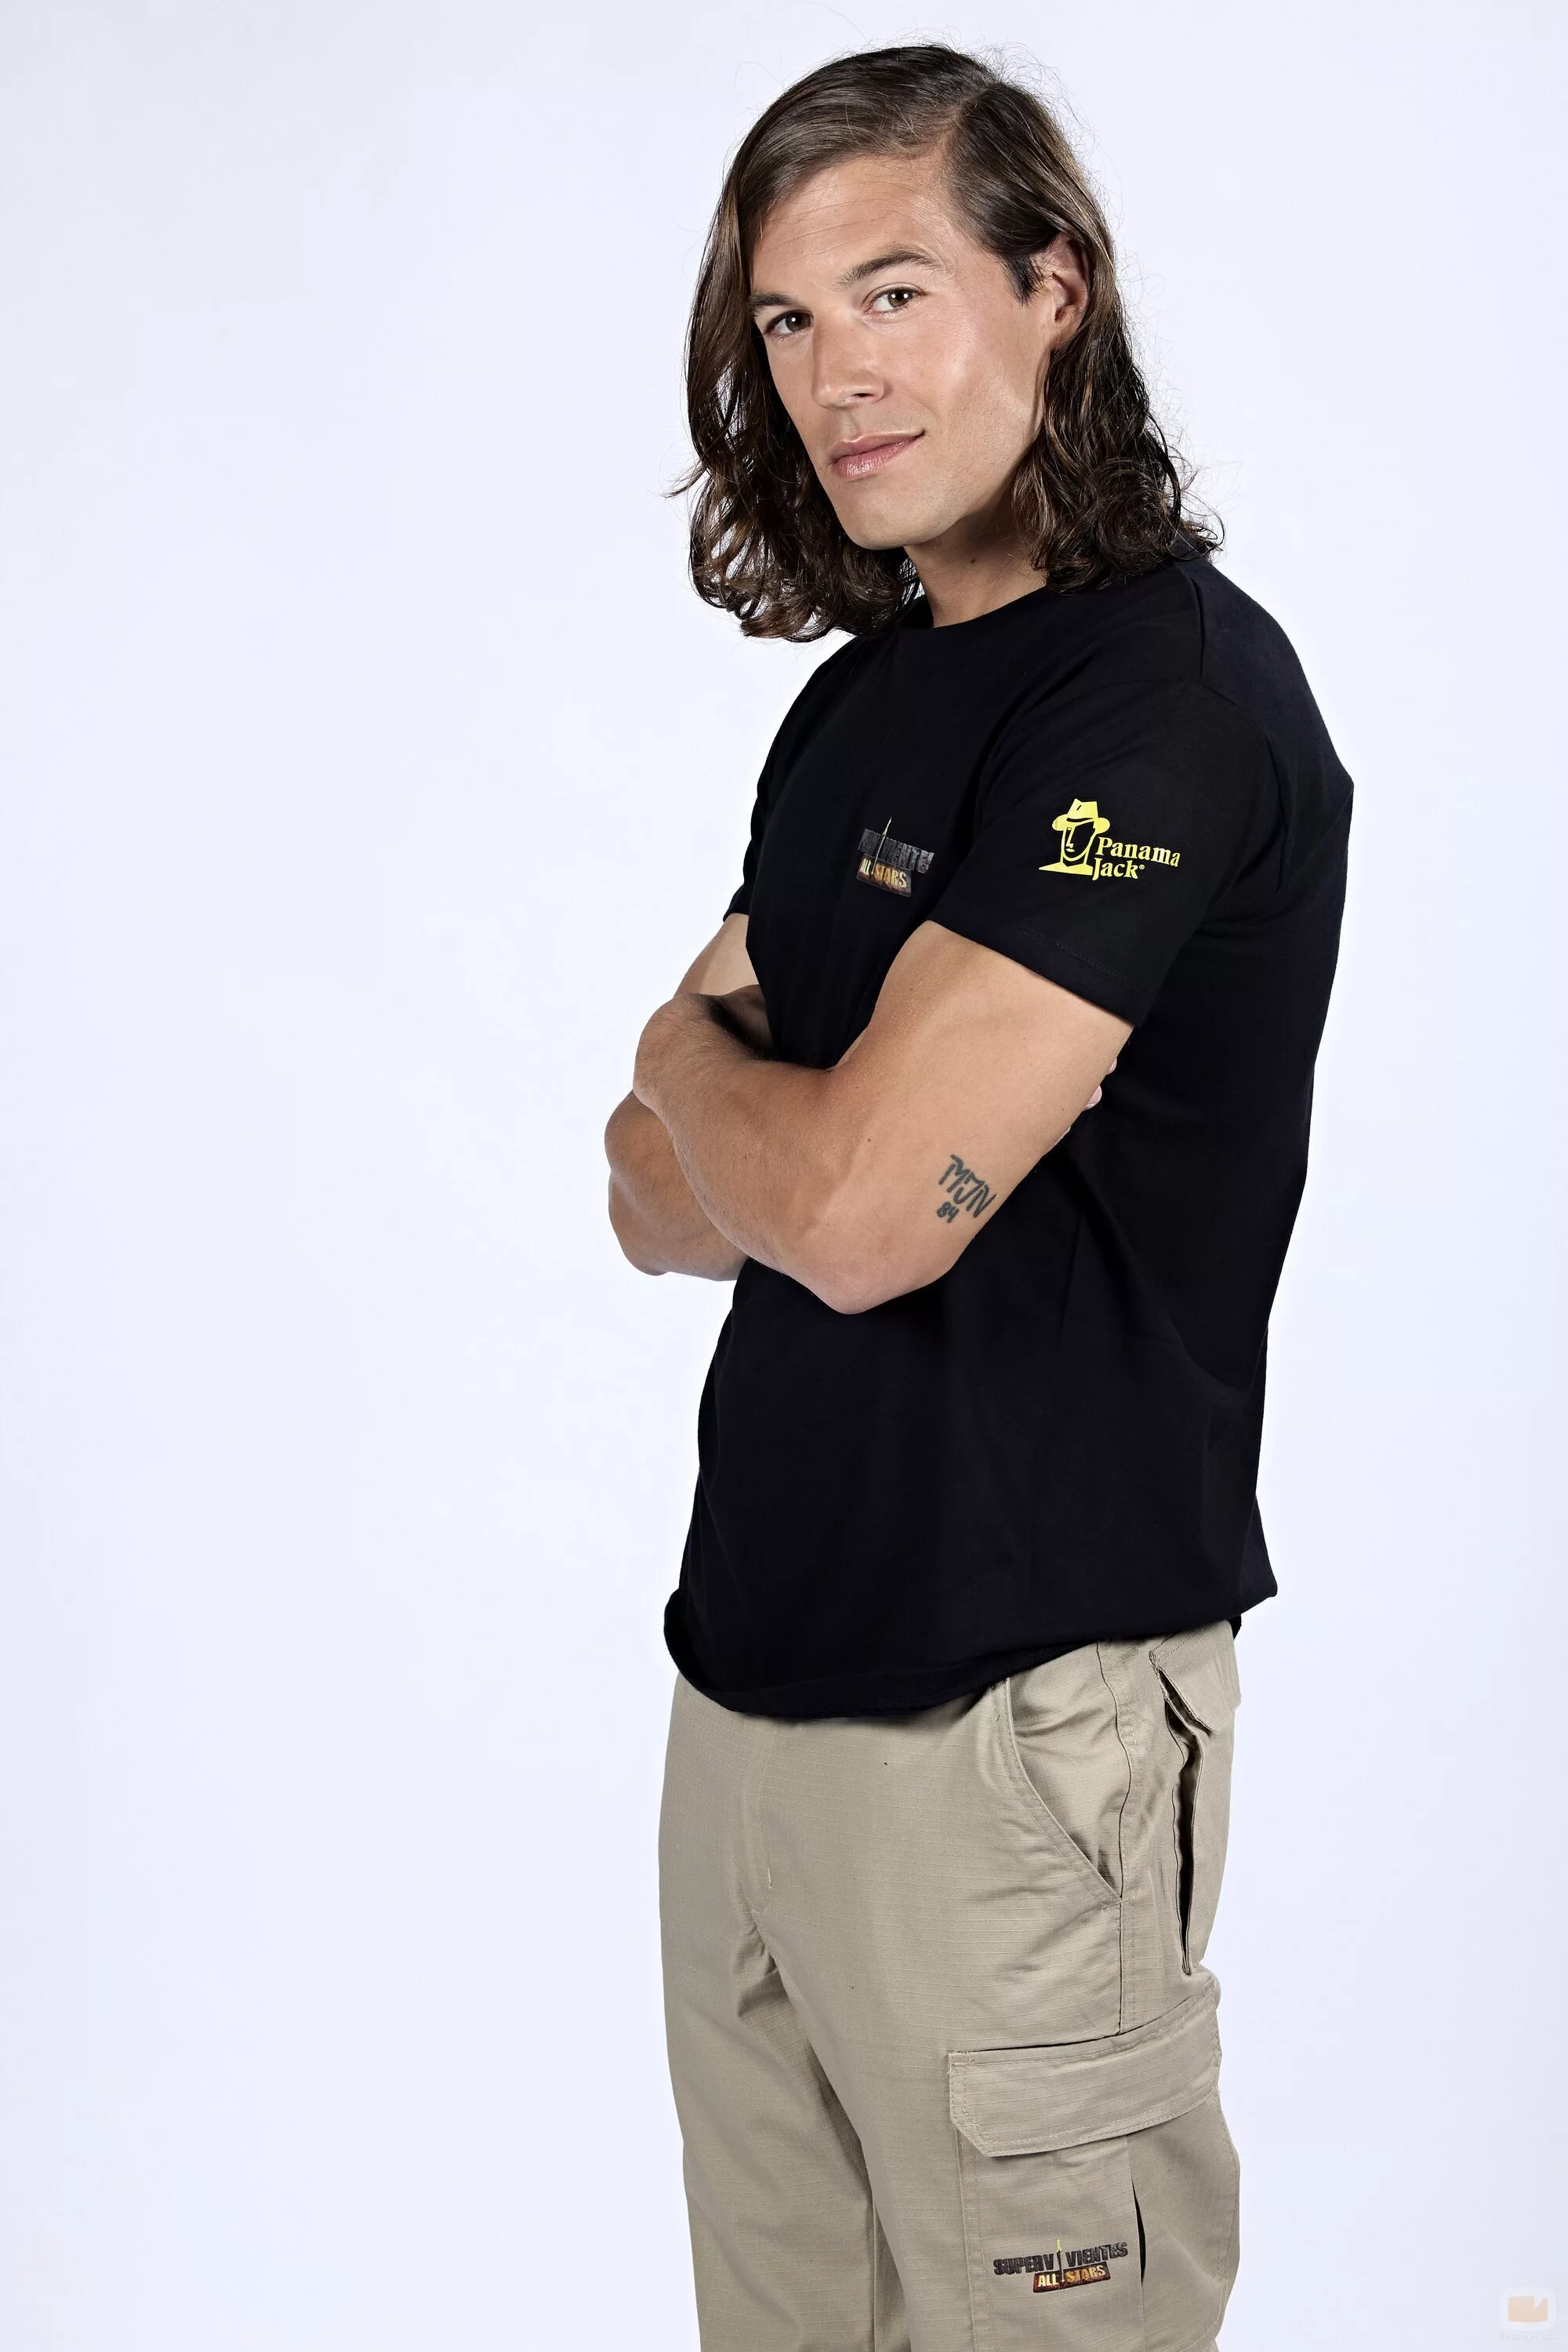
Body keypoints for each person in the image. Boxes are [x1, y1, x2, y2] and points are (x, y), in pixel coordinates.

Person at [604, 42, 1350, 2352]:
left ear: (1057, 289)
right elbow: (647, 1202)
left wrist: (691, 1062)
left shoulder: (1168, 706)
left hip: (1019, 1735)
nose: (837, 373)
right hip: (749, 1705)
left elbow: (846, 1214)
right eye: (787, 322)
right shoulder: (866, 706)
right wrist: (724, 1114)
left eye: (897, 290)